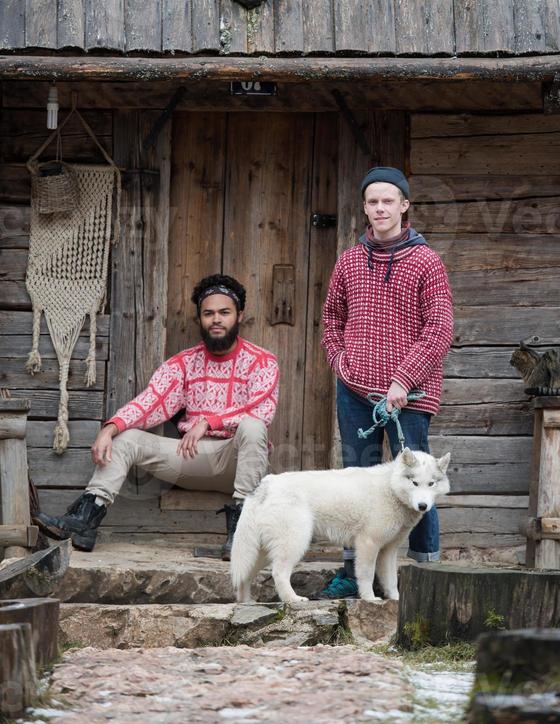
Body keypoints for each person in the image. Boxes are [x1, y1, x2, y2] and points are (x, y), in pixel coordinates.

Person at [35, 274, 279, 559]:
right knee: (127, 438)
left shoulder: (263, 361)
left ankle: (241, 537)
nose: (216, 320)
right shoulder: (184, 363)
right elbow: (152, 402)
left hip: (238, 462)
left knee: (253, 426)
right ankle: (86, 519)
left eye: (224, 312)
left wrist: (209, 421)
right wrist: (110, 427)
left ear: (239, 315)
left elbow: (262, 410)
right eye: (208, 313)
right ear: (199, 318)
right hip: (192, 458)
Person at [320, 166, 453, 598]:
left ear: (404, 205)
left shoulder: (425, 261)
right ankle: (350, 572)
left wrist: (403, 378)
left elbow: (440, 328)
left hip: (410, 395)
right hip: (356, 392)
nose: (381, 208)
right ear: (364, 208)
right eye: (373, 201)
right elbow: (331, 319)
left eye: (388, 201)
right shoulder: (349, 260)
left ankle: (422, 574)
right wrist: (340, 361)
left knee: (420, 480)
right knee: (355, 483)